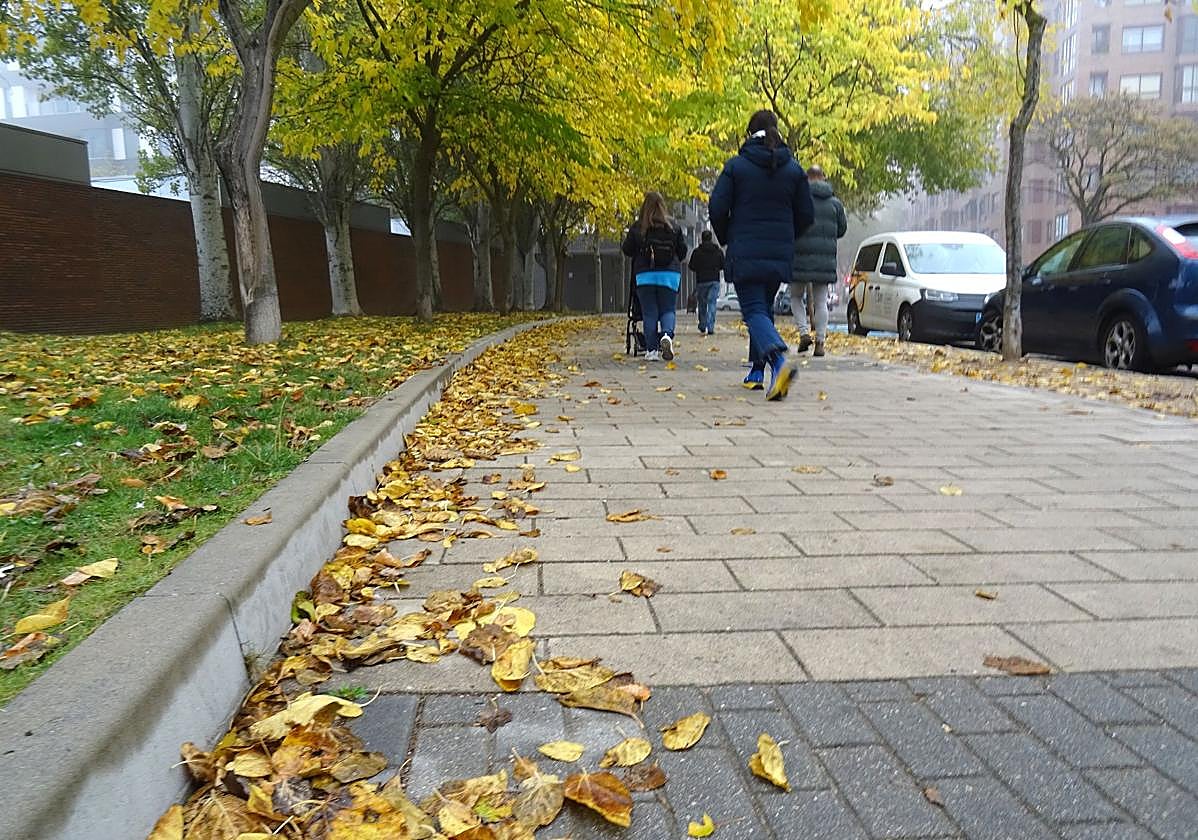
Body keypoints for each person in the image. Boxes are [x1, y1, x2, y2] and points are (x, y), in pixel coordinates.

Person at [708, 110, 814, 400]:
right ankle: (757, 371)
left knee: (754, 311)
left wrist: (728, 236)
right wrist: (787, 238)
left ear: (748, 134)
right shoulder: (793, 170)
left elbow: (717, 208)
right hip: (779, 253)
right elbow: (806, 214)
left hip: (745, 249)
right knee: (763, 310)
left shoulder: (737, 167)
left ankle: (778, 360)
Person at [622, 191, 688, 361]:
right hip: (669, 275)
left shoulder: (639, 227)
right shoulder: (673, 226)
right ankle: (666, 336)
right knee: (668, 310)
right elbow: (682, 251)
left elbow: (627, 249)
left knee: (649, 312)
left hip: (645, 275)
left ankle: (652, 351)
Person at [791, 165, 847, 357]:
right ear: (823, 178)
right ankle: (820, 342)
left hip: (799, 257)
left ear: (807, 179)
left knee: (795, 297)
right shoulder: (835, 204)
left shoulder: (797, 201)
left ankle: (804, 332)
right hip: (824, 261)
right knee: (822, 301)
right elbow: (841, 230)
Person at [688, 230, 725, 335]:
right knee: (712, 303)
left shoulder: (697, 252)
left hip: (702, 281)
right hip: (714, 281)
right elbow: (723, 265)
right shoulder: (718, 251)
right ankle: (711, 326)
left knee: (702, 304)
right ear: (711, 238)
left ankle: (703, 325)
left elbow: (691, 266)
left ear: (702, 238)